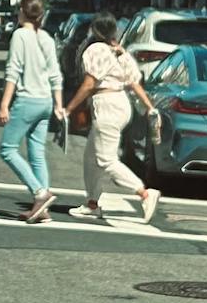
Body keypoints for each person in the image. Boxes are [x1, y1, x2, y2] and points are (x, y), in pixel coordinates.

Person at [62, 13, 160, 223]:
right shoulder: (121, 52)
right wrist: (149, 107)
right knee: (91, 157)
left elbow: (89, 84)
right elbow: (134, 83)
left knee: (106, 160)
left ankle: (144, 193)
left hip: (107, 104)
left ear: (95, 31)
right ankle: (92, 203)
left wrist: (69, 108)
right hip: (121, 104)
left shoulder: (96, 50)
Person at [0, 0, 65, 223]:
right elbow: (55, 74)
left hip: (27, 100)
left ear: (22, 13)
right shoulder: (45, 37)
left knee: (7, 149)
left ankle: (40, 193)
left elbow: (13, 71)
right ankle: (41, 209)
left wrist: (4, 104)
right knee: (37, 155)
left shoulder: (19, 35)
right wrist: (58, 104)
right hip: (45, 101)